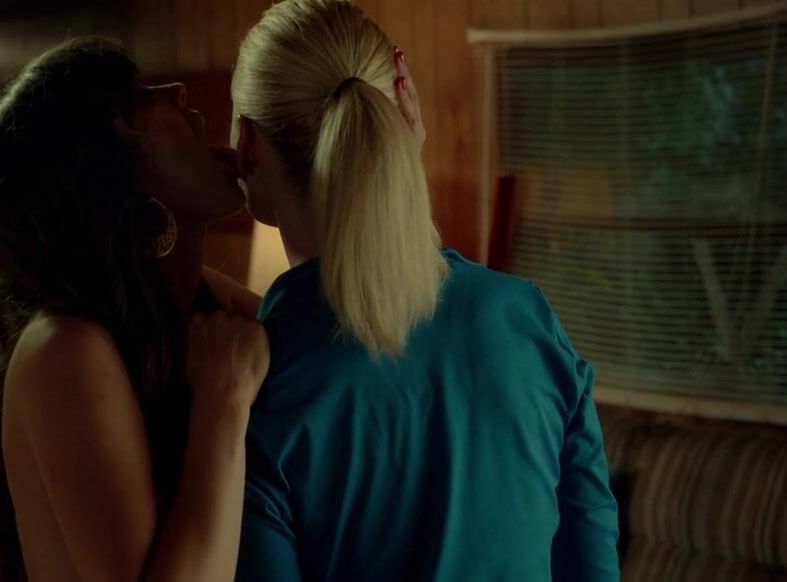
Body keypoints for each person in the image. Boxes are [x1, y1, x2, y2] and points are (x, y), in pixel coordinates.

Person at [229, 1, 621, 580]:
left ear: (246, 146)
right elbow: (592, 558)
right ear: (402, 121)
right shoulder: (523, 318)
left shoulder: (252, 392)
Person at [0, 38, 271, 581]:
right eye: (142, 98)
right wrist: (224, 403)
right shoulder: (63, 350)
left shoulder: (197, 299)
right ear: (108, 167)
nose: (179, 92)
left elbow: (338, 340)